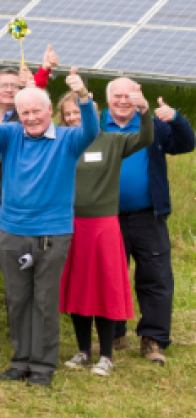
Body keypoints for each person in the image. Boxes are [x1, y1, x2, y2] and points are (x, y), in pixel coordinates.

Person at [0, 70, 98, 386]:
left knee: (44, 301)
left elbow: (92, 129)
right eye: (24, 112)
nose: (30, 118)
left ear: (48, 110)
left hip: (51, 234)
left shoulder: (69, 140)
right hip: (11, 231)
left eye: (36, 111)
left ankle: (42, 366)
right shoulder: (11, 134)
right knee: (17, 299)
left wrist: (83, 96)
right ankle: (20, 361)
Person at [56, 91, 153, 376]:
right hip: (72, 224)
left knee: (103, 289)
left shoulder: (112, 141)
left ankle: (107, 355)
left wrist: (144, 111)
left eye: (78, 112)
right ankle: (83, 350)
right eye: (68, 114)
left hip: (103, 226)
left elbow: (145, 138)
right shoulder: (63, 143)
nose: (74, 118)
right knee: (78, 289)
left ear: (92, 112)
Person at [102, 79, 193, 364]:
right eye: (117, 96)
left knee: (154, 277)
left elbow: (185, 144)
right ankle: (114, 335)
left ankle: (153, 340)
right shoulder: (94, 125)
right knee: (110, 276)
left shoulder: (154, 125)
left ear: (139, 97)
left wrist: (176, 119)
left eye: (129, 95)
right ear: (108, 100)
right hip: (106, 215)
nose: (123, 100)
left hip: (147, 215)